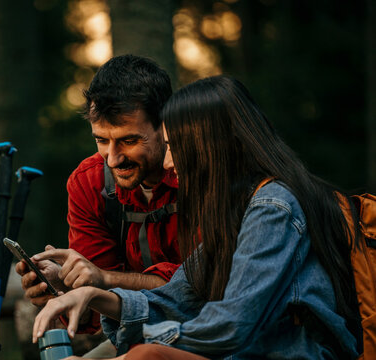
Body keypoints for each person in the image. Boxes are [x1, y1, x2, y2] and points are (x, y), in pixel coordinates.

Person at [32, 75, 361, 359]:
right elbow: (175, 298)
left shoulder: (272, 208)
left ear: (208, 148)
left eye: (174, 146)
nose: (167, 163)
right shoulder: (239, 211)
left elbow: (230, 325)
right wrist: (95, 295)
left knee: (147, 354)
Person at [16, 55, 181, 342]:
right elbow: (101, 308)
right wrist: (66, 288)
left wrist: (103, 279)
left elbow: (200, 288)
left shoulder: (201, 174)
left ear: (165, 126)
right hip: (137, 336)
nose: (113, 159)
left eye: (129, 140)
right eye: (102, 140)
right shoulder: (89, 183)